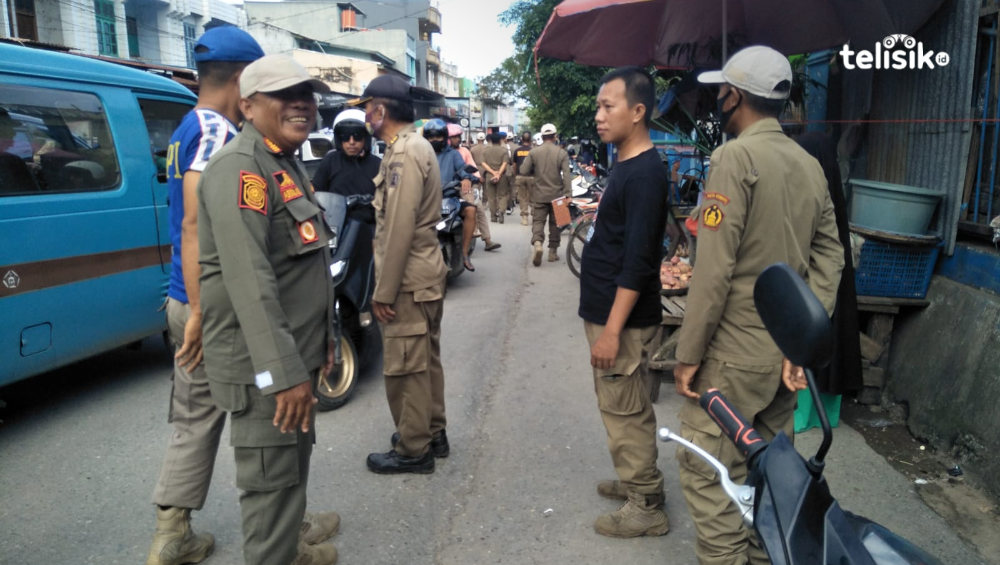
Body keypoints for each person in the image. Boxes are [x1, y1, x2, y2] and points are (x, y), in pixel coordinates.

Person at [672, 46, 844, 565]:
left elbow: (714, 270)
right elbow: (832, 254)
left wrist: (688, 353)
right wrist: (799, 341)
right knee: (769, 474)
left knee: (708, 473)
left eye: (720, 92)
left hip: (732, 357)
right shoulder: (808, 164)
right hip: (782, 360)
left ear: (734, 96)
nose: (717, 101)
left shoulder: (734, 158)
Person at [197, 53, 341, 565]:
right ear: (248, 105)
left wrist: (322, 342)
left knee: (290, 472)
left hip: (292, 354)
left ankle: (291, 549)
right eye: (284, 95)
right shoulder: (241, 169)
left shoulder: (283, 160)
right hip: (265, 368)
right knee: (272, 488)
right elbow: (250, 281)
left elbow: (303, 266)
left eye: (306, 95)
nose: (301, 104)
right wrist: (283, 374)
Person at [145, 27, 269, 565]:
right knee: (265, 408)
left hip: (183, 293)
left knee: (194, 415)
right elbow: (196, 222)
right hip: (211, 301)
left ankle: (171, 533)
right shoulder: (219, 131)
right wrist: (201, 309)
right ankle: (284, 525)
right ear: (242, 79)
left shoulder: (185, 127)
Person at [578, 67, 670, 538]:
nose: (598, 115)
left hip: (623, 321)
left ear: (637, 112)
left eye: (607, 106)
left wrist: (612, 331)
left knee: (624, 408)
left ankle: (646, 504)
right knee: (624, 404)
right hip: (607, 310)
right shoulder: (626, 165)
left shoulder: (646, 175)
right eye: (598, 106)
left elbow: (638, 263)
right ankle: (639, 480)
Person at [354, 74, 450, 474]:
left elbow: (398, 228)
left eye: (367, 108)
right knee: (424, 359)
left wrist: (384, 292)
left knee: (406, 366)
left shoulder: (406, 151)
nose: (364, 117)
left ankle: (414, 449)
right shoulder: (410, 146)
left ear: (381, 109)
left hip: (409, 279)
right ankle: (432, 431)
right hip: (421, 274)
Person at [794, 132, 863, 419]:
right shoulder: (834, 193)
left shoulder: (810, 193)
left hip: (813, 287)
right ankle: (824, 416)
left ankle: (803, 414)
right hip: (835, 289)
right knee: (831, 345)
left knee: (807, 347)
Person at [423, 118, 479, 272]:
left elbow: (463, 169)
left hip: (450, 198)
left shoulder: (453, 154)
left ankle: (464, 253)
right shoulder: (421, 155)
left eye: (438, 136)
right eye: (431, 137)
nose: (435, 140)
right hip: (426, 201)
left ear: (444, 137)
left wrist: (467, 178)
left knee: (471, 210)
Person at [520, 122, 571, 266]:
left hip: (539, 194)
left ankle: (537, 244)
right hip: (558, 195)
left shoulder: (534, 152)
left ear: (542, 137)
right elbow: (567, 175)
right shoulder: (561, 153)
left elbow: (523, 170)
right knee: (556, 223)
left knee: (538, 221)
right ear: (555, 136)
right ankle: (552, 253)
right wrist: (568, 195)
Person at [448, 123, 502, 254]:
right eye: (454, 137)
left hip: (463, 187)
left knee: (477, 207)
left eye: (458, 136)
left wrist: (475, 177)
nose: (458, 139)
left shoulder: (464, 151)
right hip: (444, 188)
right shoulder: (440, 154)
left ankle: (487, 240)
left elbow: (471, 167)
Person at [312, 108, 380, 200]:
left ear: (366, 138)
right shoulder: (330, 161)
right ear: (339, 139)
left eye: (357, 136)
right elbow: (316, 193)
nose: (351, 142)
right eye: (345, 137)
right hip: (336, 209)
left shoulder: (378, 165)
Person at [481, 132, 511, 223]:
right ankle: (501, 211)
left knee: (491, 197)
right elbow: (505, 163)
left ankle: (493, 216)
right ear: (500, 140)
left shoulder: (485, 151)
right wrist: (498, 174)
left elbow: (483, 163)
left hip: (489, 175)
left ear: (491, 140)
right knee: (502, 195)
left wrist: (493, 172)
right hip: (501, 176)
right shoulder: (504, 151)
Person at [513, 131, 534, 226]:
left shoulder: (517, 151)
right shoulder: (533, 151)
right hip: (532, 177)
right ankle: (535, 215)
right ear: (530, 140)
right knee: (533, 197)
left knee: (522, 198)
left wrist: (516, 175)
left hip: (520, 176)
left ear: (521, 139)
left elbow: (514, 165)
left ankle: (524, 218)